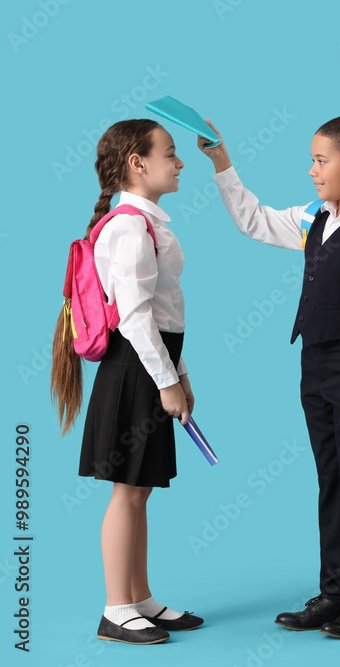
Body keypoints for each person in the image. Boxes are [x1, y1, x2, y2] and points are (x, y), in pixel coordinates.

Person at [197, 114, 340, 639]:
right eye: (313, 161)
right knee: (331, 480)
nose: (313, 171)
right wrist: (221, 162)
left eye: (322, 161)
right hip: (315, 363)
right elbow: (254, 220)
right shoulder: (314, 216)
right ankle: (337, 590)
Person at [51, 119, 204, 645]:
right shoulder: (128, 227)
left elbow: (163, 315)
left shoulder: (144, 221)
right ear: (138, 163)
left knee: (139, 491)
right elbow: (136, 317)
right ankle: (116, 609)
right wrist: (166, 381)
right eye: (170, 152)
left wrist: (179, 376)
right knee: (126, 493)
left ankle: (140, 599)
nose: (180, 162)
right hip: (134, 370)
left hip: (152, 366)